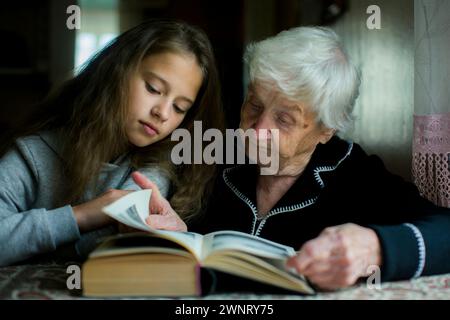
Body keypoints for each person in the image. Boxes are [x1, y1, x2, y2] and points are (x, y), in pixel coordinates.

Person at [133, 26, 450, 291]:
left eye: (284, 120)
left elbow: (445, 231)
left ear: (326, 129)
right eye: (254, 106)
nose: (258, 131)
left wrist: (377, 247)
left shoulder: (355, 174)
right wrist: (180, 235)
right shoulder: (214, 152)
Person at [0, 19, 224, 266]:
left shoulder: (157, 168)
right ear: (116, 72)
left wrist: (169, 241)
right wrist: (85, 215)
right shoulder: (33, 154)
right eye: (153, 88)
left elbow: (109, 251)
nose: (163, 113)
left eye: (180, 107)